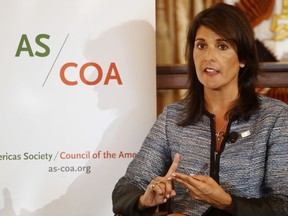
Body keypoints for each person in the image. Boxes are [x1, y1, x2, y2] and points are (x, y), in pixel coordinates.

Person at [112, 3, 288, 216]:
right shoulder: (173, 117)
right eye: (201, 45)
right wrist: (145, 198)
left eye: (222, 46)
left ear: (242, 58)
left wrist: (226, 202)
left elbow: (283, 204)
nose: (208, 57)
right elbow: (125, 188)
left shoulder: (275, 117)